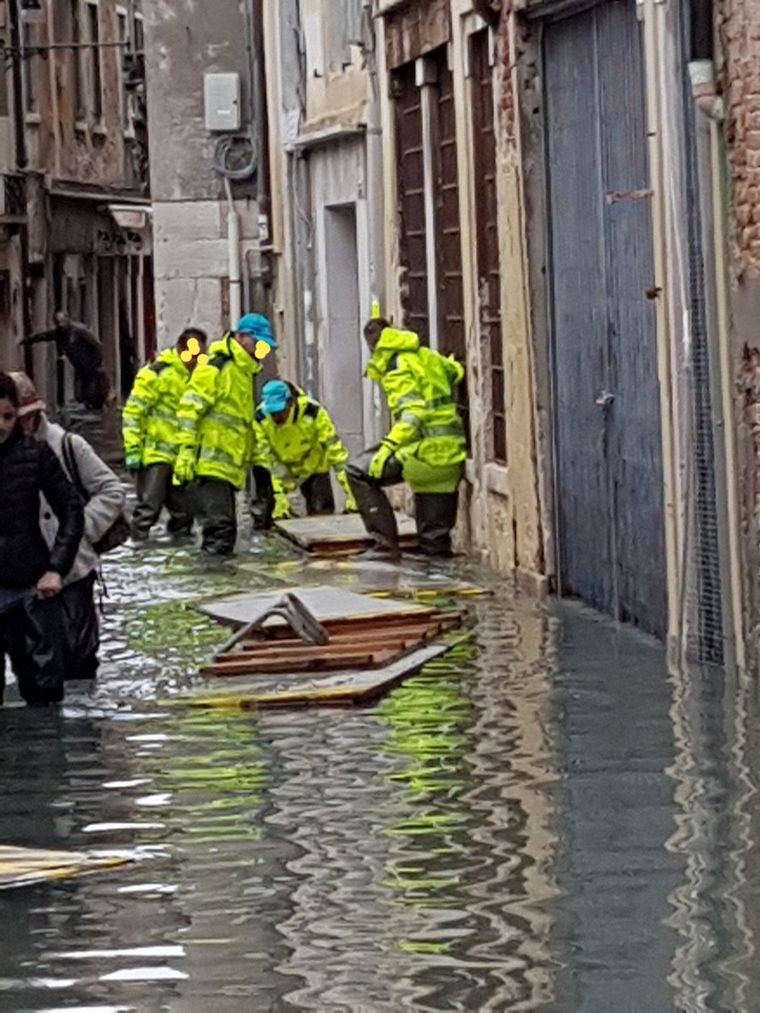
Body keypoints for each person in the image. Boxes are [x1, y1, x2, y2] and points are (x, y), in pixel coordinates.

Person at [10, 372, 124, 681]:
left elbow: (112, 491)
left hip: (73, 573)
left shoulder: (68, 446)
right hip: (23, 577)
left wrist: (80, 532)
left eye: (20, 417)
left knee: (79, 661)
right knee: (36, 667)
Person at [347, 318, 467, 561]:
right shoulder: (427, 355)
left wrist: (388, 447)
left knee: (357, 472)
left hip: (423, 453)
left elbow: (413, 414)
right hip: (452, 452)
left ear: (372, 346)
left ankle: (384, 546)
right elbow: (456, 372)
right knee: (434, 544)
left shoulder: (395, 366)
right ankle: (438, 570)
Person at [0, 371, 84, 706]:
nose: (1, 426)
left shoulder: (36, 452)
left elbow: (72, 510)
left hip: (32, 590)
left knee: (45, 691)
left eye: (8, 417)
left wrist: (56, 568)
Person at [173, 314, 277, 556]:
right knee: (220, 531)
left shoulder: (243, 373)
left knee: (224, 533)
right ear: (241, 338)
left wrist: (260, 465)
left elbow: (244, 426)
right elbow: (189, 411)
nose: (262, 350)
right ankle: (213, 578)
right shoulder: (217, 368)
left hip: (226, 470)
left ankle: (214, 576)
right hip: (207, 467)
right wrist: (186, 452)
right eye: (258, 343)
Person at [122, 327, 209, 540]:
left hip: (182, 459)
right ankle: (138, 545)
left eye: (200, 355)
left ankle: (178, 550)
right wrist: (132, 448)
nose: (196, 360)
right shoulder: (156, 373)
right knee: (148, 509)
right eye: (193, 354)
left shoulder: (201, 377)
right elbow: (133, 412)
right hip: (156, 456)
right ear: (180, 349)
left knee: (184, 513)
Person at [250, 380, 357, 527]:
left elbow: (336, 454)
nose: (276, 417)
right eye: (272, 413)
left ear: (291, 403)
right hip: (281, 468)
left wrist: (353, 493)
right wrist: (279, 497)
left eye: (280, 412)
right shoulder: (260, 419)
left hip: (313, 466)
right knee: (274, 517)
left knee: (322, 515)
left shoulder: (313, 413)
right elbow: (267, 459)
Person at [18, 311, 110, 410]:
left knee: (95, 393)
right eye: (58, 322)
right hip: (79, 367)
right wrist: (26, 340)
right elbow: (44, 336)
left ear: (68, 319)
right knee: (79, 396)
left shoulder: (79, 330)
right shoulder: (59, 333)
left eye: (62, 321)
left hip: (92, 366)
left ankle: (100, 405)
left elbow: (96, 344)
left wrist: (97, 361)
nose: (61, 325)